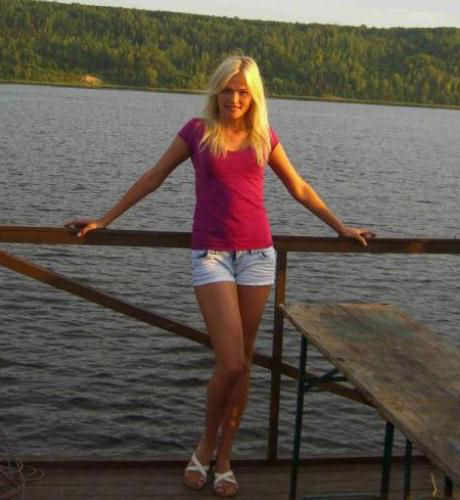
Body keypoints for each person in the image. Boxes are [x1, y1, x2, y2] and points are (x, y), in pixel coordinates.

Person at [65, 55, 375, 497]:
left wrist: (340, 227)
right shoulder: (197, 131)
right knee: (229, 362)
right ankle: (205, 445)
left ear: (254, 96)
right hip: (211, 256)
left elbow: (299, 187)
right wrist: (105, 218)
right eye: (227, 90)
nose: (234, 98)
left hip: (258, 257)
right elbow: (154, 176)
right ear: (217, 91)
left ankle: (224, 458)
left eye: (242, 91)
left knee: (243, 363)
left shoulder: (263, 136)